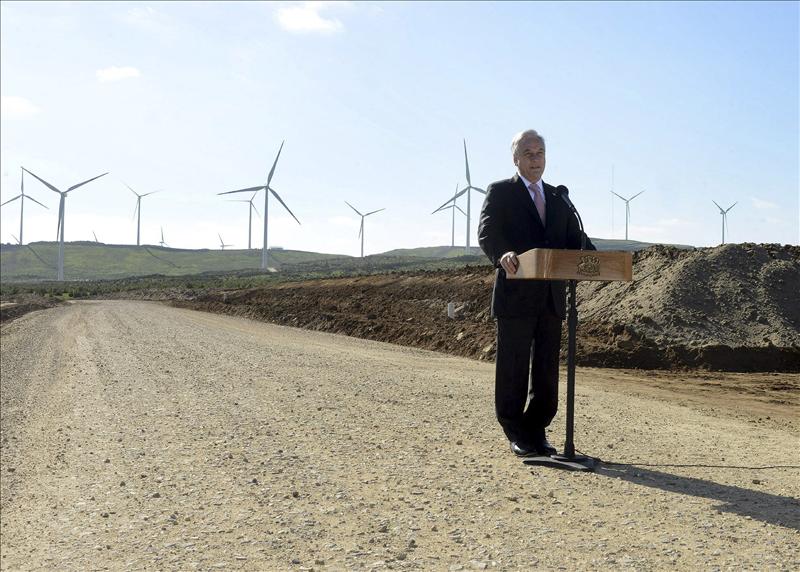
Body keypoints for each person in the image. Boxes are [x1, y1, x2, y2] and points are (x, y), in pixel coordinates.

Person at [478, 129, 595, 457]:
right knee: (513, 367)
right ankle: (516, 431)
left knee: (546, 370)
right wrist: (502, 254)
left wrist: (594, 258)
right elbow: (488, 231)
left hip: (550, 298)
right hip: (516, 295)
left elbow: (576, 240)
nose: (535, 159)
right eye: (528, 153)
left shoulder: (558, 198)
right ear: (516, 159)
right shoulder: (501, 192)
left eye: (540, 152)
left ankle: (537, 431)